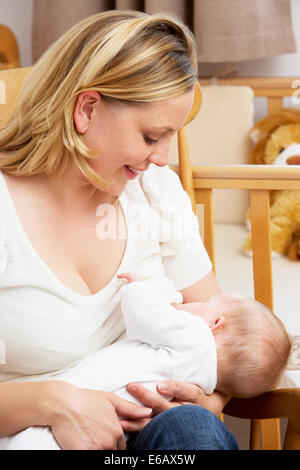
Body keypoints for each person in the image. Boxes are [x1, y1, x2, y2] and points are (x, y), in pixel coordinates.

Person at [0, 10, 239, 450]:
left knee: (193, 432)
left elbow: (225, 338)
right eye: (151, 137)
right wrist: (54, 401)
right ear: (86, 108)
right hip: (35, 437)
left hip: (151, 436)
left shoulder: (154, 190)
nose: (164, 158)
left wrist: (209, 400)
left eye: (172, 137)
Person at [1, 271, 290, 450]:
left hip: (64, 434)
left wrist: (139, 287)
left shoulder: (194, 336)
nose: (182, 306)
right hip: (99, 431)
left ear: (215, 322)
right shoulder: (202, 378)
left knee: (191, 423)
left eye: (202, 304)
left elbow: (146, 317)